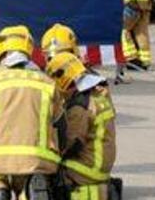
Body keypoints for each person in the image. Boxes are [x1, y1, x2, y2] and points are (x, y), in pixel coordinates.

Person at [0, 25, 62, 200]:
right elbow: (60, 124)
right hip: (37, 157)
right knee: (28, 170)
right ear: (28, 48)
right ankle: (28, 191)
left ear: (0, 48)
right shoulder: (47, 82)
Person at [48, 52, 117, 200]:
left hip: (88, 167)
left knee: (47, 171)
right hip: (102, 163)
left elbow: (72, 143)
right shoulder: (99, 92)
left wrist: (51, 150)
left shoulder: (79, 105)